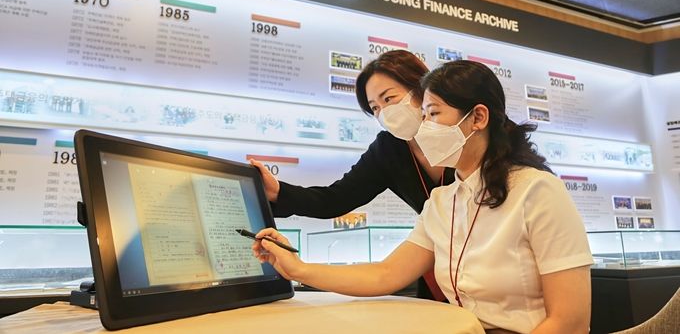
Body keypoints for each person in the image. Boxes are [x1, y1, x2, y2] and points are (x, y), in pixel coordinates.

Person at [251, 60, 593, 333]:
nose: (424, 127)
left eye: (434, 114)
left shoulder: (536, 191)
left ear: (478, 117)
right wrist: (298, 268)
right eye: (424, 116)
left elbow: (571, 322)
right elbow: (385, 274)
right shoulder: (442, 201)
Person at [250, 50, 455, 299]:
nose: (384, 112)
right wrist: (278, 192)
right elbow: (335, 199)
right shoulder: (389, 149)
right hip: (437, 263)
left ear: (421, 89)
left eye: (389, 99)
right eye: (375, 108)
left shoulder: (464, 137)